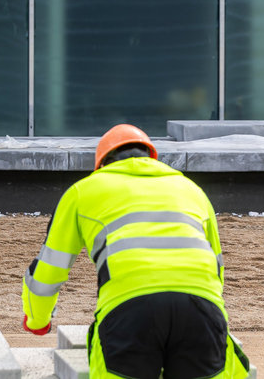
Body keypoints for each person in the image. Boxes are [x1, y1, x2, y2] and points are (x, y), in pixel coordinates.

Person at [20, 124, 252, 379]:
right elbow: (217, 267)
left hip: (129, 311)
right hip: (201, 309)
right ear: (151, 157)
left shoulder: (83, 191)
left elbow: (47, 273)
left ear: (102, 164)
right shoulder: (192, 189)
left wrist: (37, 321)